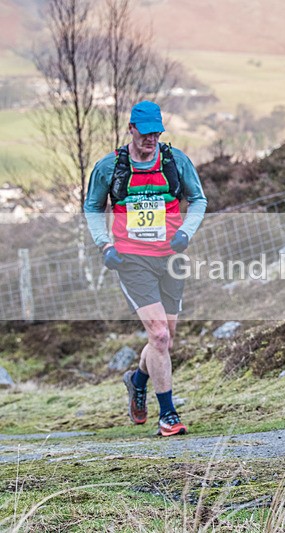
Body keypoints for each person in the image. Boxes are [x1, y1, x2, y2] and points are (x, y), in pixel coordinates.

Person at [84, 100, 207, 437]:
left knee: (166, 339)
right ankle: (167, 415)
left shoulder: (174, 161)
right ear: (131, 129)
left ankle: (137, 380)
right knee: (159, 335)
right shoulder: (110, 167)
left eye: (157, 133)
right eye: (146, 133)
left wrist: (185, 232)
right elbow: (93, 207)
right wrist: (104, 244)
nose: (152, 139)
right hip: (132, 259)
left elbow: (198, 199)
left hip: (170, 256)